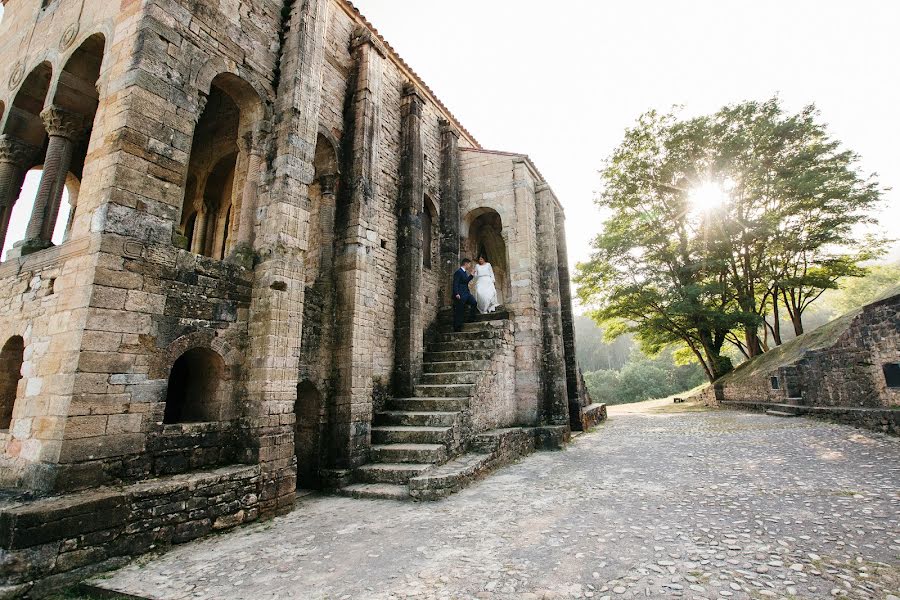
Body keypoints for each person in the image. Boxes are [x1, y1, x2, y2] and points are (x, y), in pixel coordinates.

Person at [452, 258, 477, 332]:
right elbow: (455, 283)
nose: (469, 266)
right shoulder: (458, 272)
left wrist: (471, 275)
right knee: (460, 310)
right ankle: (457, 327)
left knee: (474, 302)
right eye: (469, 264)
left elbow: (465, 281)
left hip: (467, 293)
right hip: (460, 294)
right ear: (466, 264)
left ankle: (471, 319)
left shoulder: (464, 272)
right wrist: (456, 293)